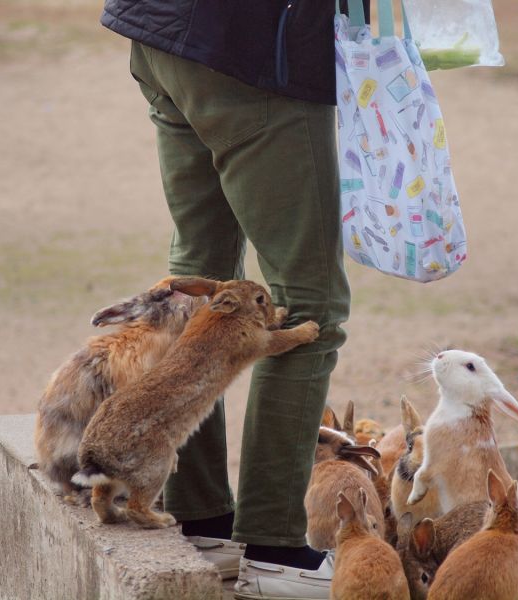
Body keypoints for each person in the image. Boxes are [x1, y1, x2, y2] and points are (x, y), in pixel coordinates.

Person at [99, 2, 352, 598]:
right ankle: (275, 548)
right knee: (307, 304)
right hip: (257, 50)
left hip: (159, 34)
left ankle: (202, 518)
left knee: (199, 280)